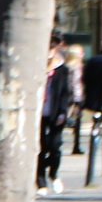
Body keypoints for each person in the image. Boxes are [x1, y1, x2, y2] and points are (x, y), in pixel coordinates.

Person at [36, 36, 71, 191]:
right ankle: (41, 181)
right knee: (41, 148)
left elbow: (65, 93)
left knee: (55, 146)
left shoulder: (62, 70)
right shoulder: (36, 68)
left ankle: (54, 174)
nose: (48, 52)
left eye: (51, 49)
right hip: (38, 113)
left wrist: (63, 112)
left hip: (55, 112)